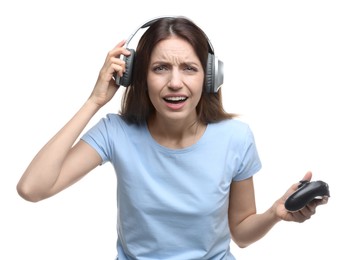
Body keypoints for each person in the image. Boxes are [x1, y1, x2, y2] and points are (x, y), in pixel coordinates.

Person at [17, 16, 328, 260]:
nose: (175, 82)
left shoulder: (236, 138)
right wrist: (94, 101)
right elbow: (32, 189)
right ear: (137, 76)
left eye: (189, 68)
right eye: (160, 68)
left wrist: (274, 213)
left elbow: (242, 235)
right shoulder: (116, 131)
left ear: (209, 78)